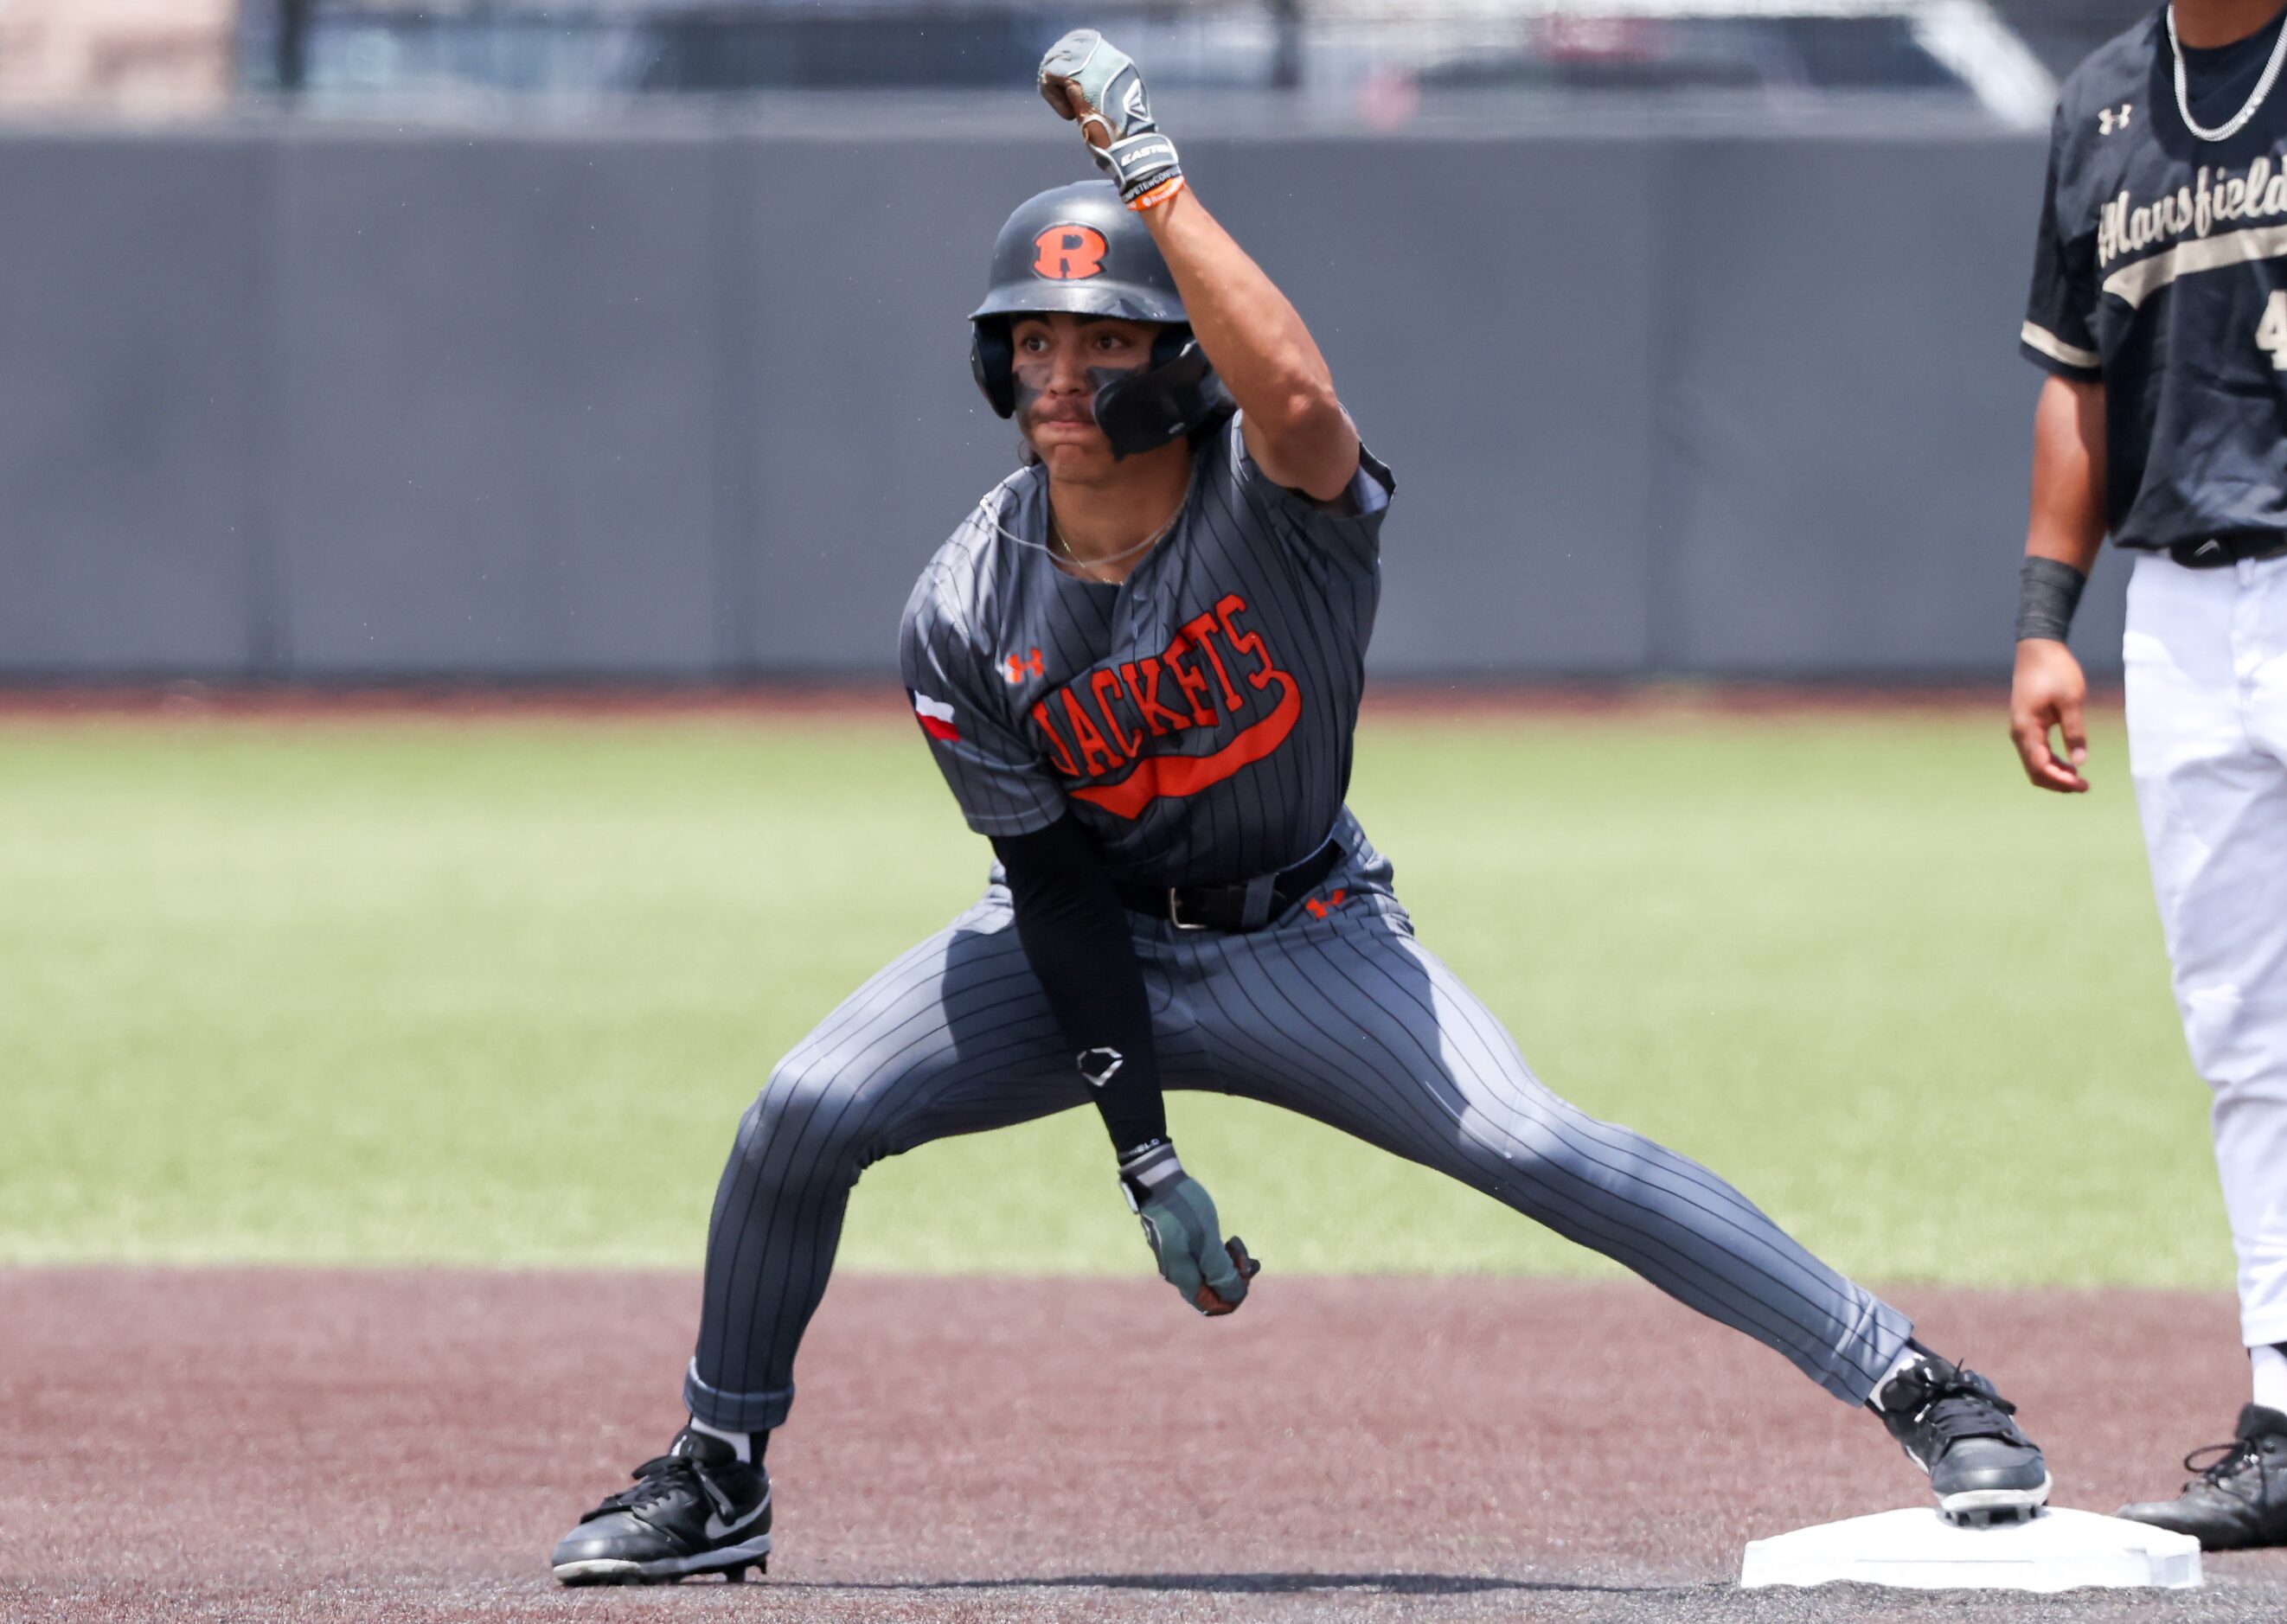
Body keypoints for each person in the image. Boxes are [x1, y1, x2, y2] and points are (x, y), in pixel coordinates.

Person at [547, 30, 2049, 1586]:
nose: (1061, 373)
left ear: (1179, 360)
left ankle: (1924, 1384)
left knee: (1541, 1140)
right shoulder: (958, 607)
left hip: (1310, 932)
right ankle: (719, 1470)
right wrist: (1146, 1157)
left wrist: (1151, 175)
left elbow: (1305, 395)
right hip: (1083, 935)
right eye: (1036, 341)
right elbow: (1054, 891)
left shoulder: (1280, 513)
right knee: (800, 1110)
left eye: (1105, 341)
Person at [2012, 0, 2287, 1553]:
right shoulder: (2103, 103)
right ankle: (2284, 1402)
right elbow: (2074, 381)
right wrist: (2048, 622)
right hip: (2177, 608)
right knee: (2248, 1033)